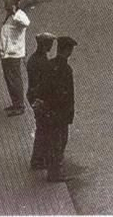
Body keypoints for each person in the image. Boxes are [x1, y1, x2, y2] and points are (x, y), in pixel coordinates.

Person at [38, 35, 76, 182]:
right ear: (67, 50)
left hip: (50, 111)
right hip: (61, 114)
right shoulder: (66, 69)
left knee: (54, 141)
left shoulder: (49, 65)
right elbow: (68, 95)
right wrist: (69, 113)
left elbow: (42, 88)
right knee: (59, 142)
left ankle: (52, 171)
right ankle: (55, 173)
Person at [25, 33, 55, 170]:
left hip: (35, 97)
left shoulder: (35, 59)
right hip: (39, 99)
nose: (51, 46)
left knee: (42, 128)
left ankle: (40, 157)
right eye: (49, 44)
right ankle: (38, 159)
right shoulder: (40, 62)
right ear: (44, 44)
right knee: (43, 129)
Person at [0, 0, 29, 115]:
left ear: (14, 5)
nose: (6, 8)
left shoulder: (19, 15)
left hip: (14, 54)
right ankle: (15, 103)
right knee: (9, 79)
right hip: (6, 54)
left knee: (15, 80)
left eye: (8, 5)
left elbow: (26, 23)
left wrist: (15, 12)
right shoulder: (9, 17)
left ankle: (20, 105)